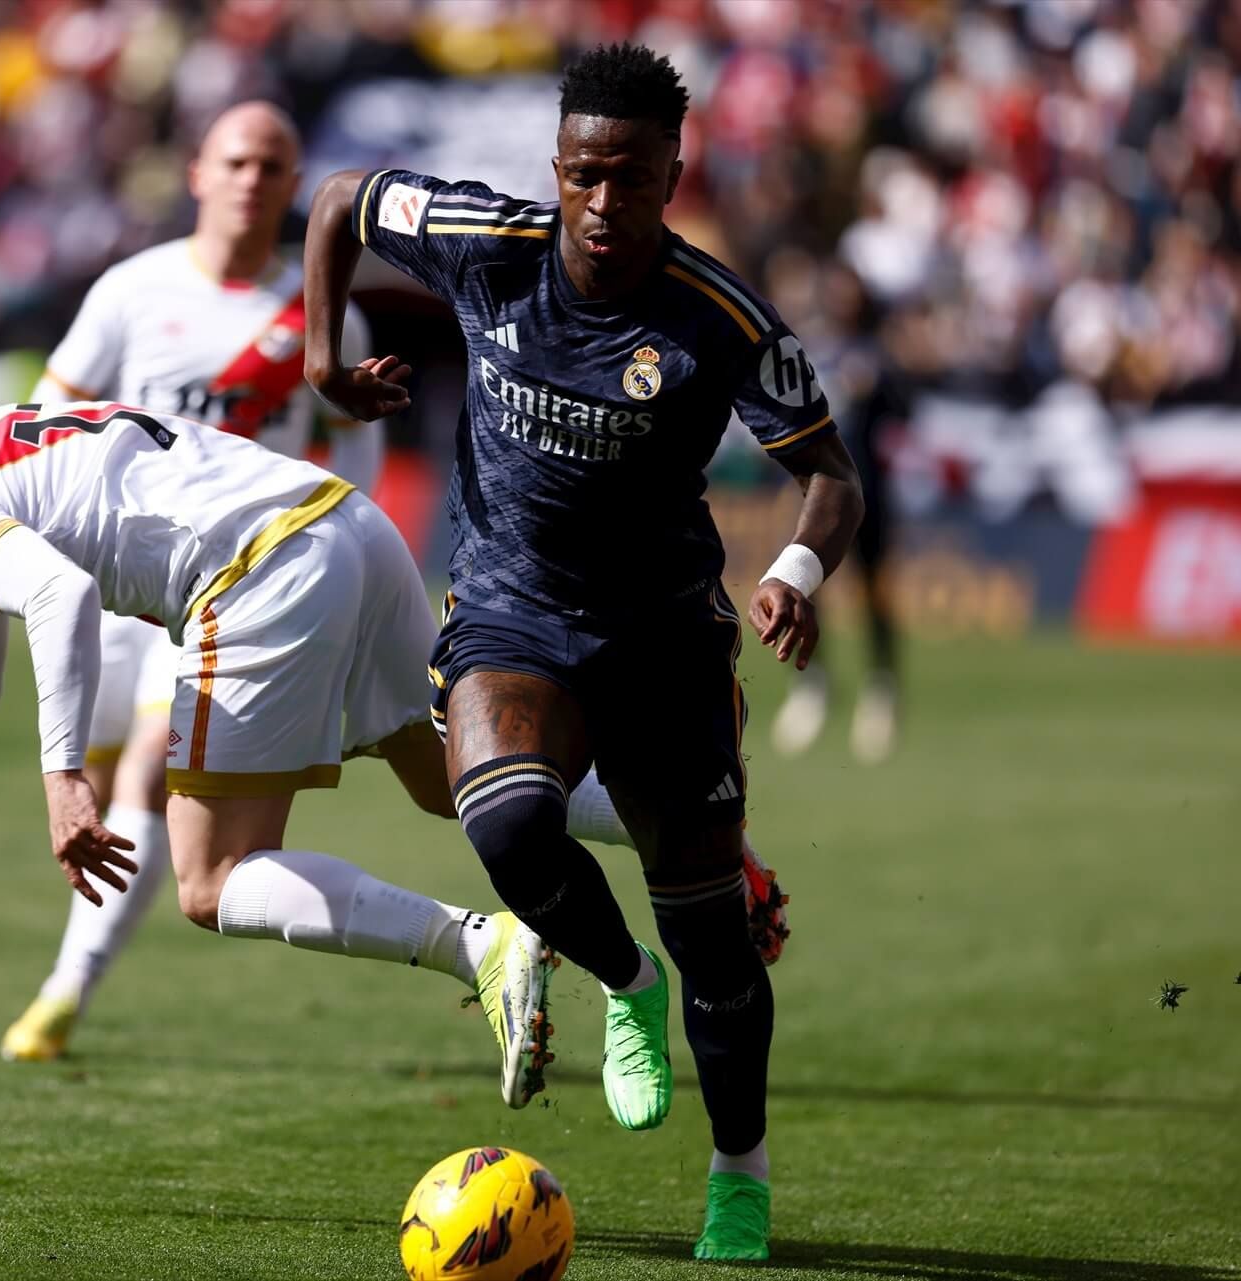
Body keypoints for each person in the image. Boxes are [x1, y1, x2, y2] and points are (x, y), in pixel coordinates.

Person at [302, 43, 863, 1261]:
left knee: (715, 934)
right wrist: (319, 356)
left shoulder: (720, 320)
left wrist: (797, 570)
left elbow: (829, 473)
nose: (605, 205)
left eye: (634, 179)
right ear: (558, 167)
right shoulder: (483, 243)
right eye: (584, 175)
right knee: (504, 824)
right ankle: (624, 984)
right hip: (511, 610)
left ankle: (741, 1176)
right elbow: (339, 198)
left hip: (663, 636)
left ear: (675, 172)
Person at [0, 400, 625, 1113]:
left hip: (254, 566)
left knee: (213, 879)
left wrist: (65, 781)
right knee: (452, 779)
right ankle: (690, 832)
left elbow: (59, 596)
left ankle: (485, 946)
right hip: (341, 522)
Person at [0, 101, 388, 1063]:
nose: (253, 178)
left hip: (234, 580)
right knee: (95, 790)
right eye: (237, 160)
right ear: (199, 174)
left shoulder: (323, 313)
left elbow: (356, 470)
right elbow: (46, 419)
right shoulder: (133, 291)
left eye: (273, 164)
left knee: (142, 769)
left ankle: (62, 994)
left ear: (295, 187)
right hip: (115, 578)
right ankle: (78, 968)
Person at [766, 258, 906, 764]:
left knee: (874, 596)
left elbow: (903, 415)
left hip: (871, 496)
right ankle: (814, 686)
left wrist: (881, 383)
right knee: (804, 589)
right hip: (817, 501)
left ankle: (882, 688)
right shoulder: (813, 350)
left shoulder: (878, 353)